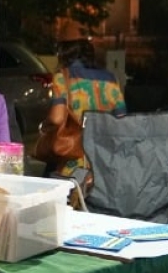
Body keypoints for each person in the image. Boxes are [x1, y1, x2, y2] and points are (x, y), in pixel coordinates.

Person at [41, 37, 126, 179]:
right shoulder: (110, 78)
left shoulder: (63, 77)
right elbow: (121, 119)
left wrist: (45, 124)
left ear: (65, 55)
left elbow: (57, 118)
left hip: (73, 155)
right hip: (103, 157)